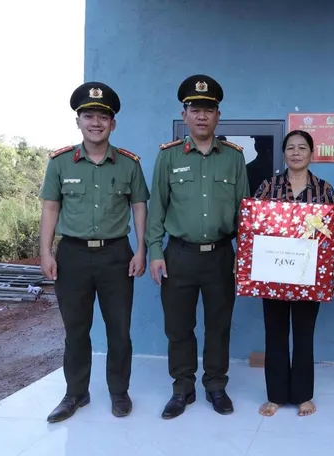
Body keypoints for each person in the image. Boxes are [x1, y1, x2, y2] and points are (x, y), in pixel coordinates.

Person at [39, 82, 150, 423]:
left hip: (116, 255)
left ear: (112, 123)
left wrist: (141, 249)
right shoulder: (60, 162)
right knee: (75, 330)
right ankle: (75, 393)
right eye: (89, 116)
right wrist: (45, 252)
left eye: (103, 117)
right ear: (79, 121)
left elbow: (139, 207)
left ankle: (119, 391)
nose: (96, 123)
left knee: (119, 330)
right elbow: (50, 207)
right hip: (71, 256)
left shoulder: (129, 164)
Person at [146, 74, 250, 419]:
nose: (202, 116)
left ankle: (216, 385)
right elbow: (157, 209)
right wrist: (155, 252)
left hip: (221, 256)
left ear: (218, 115)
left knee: (219, 325)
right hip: (179, 255)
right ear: (185, 115)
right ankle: (182, 388)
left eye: (208, 109)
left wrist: (243, 255)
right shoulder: (169, 157)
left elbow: (244, 210)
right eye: (195, 109)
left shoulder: (234, 158)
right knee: (178, 326)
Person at [253, 130, 334, 417]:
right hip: (273, 272)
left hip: (310, 275)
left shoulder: (324, 189)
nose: (296, 152)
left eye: (302, 148)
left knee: (304, 334)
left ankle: (303, 396)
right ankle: (276, 396)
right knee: (275, 334)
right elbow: (252, 229)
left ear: (311, 154)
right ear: (284, 154)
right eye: (290, 147)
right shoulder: (268, 187)